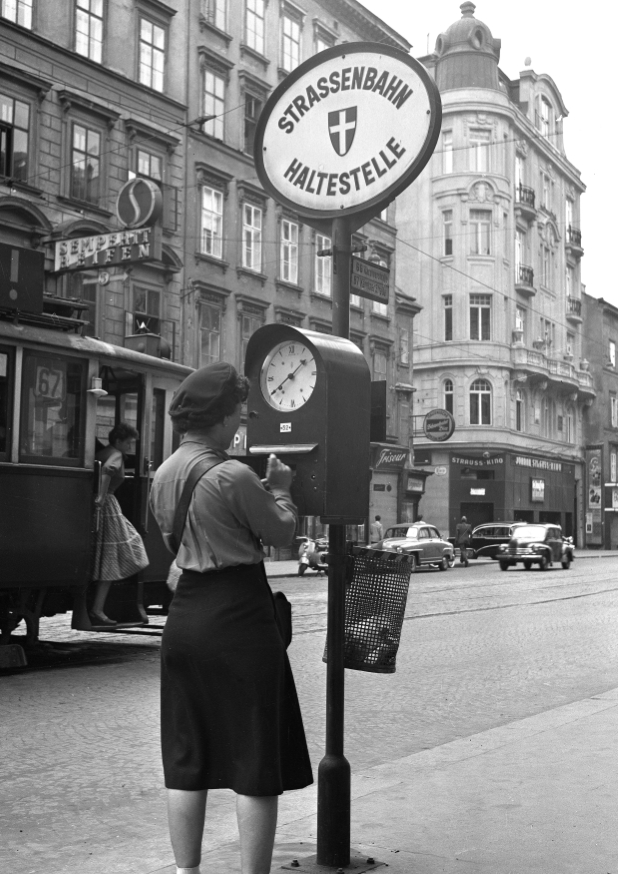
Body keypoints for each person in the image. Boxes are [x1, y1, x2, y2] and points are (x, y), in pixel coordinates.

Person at [150, 362, 313, 874]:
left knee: (186, 755)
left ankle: (187, 872)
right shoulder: (233, 474)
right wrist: (282, 487)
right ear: (221, 418)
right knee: (254, 755)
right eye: (237, 411)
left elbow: (174, 546)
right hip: (239, 617)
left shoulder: (163, 473)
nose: (241, 418)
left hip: (186, 617)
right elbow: (282, 532)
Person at [91, 422, 149, 626]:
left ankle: (97, 607)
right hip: (109, 506)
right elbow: (108, 471)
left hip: (102, 505)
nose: (131, 448)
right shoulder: (116, 454)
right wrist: (101, 497)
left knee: (105, 557)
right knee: (120, 556)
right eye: (129, 443)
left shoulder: (104, 451)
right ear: (118, 441)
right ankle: (98, 609)